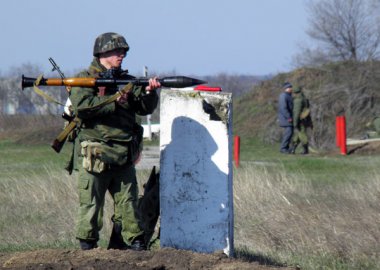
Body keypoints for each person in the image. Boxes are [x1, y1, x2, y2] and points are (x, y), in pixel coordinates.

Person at [69, 32, 161, 251]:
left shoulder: (128, 82)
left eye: (124, 52)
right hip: (94, 155)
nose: (122, 55)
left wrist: (150, 92)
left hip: (122, 156)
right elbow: (83, 106)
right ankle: (87, 250)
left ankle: (135, 247)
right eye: (117, 51)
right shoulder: (84, 79)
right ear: (103, 53)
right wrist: (114, 101)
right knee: (91, 206)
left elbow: (144, 108)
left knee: (129, 208)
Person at [290, 87, 312, 154]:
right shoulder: (304, 98)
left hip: (300, 120)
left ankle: (306, 150)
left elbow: (296, 112)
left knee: (301, 134)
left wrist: (295, 123)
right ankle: (292, 149)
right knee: (298, 134)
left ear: (295, 92)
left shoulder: (298, 100)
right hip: (304, 119)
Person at [278, 82, 294, 153]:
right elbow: (283, 108)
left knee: (289, 133)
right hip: (286, 118)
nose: (291, 88)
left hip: (288, 117)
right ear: (286, 89)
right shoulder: (283, 96)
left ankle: (286, 148)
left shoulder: (289, 96)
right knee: (288, 133)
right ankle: (283, 148)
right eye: (290, 87)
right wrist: (288, 117)